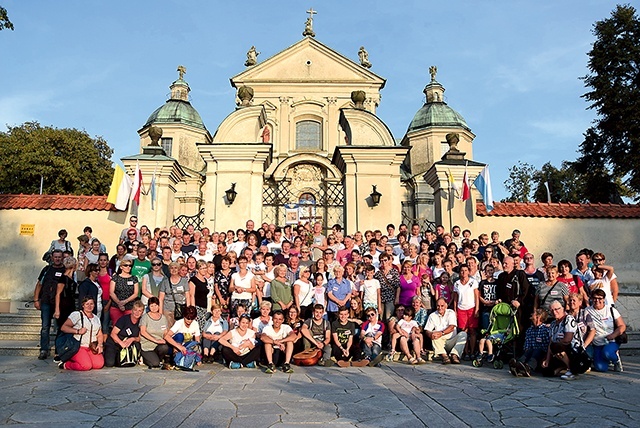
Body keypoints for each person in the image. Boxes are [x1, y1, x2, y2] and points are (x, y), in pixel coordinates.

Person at [583, 288, 626, 372]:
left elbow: (622, 326)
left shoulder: (611, 310)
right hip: (597, 343)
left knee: (607, 353)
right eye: (595, 298)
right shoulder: (587, 310)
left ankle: (616, 359)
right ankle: (601, 359)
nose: (597, 300)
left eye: (600, 298)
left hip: (610, 341)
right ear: (591, 299)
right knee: (600, 368)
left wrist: (613, 335)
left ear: (604, 299)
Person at [57, 296, 104, 371]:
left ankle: (84, 359)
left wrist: (100, 344)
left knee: (98, 364)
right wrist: (77, 331)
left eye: (91, 304)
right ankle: (66, 364)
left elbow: (99, 334)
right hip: (79, 346)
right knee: (86, 366)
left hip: (91, 347)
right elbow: (64, 327)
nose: (89, 306)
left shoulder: (96, 318)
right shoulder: (77, 315)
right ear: (83, 305)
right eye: (87, 304)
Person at [541, 300, 582, 380]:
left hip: (574, 351)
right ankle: (562, 366)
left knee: (556, 346)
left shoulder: (568, 319)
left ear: (563, 309)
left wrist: (554, 348)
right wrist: (548, 359)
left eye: (557, 309)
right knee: (546, 371)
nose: (554, 312)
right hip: (559, 351)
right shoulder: (553, 324)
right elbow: (551, 342)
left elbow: (567, 339)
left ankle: (573, 370)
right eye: (552, 310)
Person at [424, 298, 467, 364]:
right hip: (440, 341)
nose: (440, 308)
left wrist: (442, 333)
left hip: (451, 340)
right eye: (438, 306)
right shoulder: (432, 316)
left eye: (442, 306)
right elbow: (427, 330)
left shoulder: (451, 312)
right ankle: (444, 356)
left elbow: (452, 327)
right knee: (434, 335)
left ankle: (454, 355)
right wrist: (431, 334)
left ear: (446, 305)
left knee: (463, 334)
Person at [104, 300, 144, 367]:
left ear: (142, 312)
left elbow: (140, 338)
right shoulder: (124, 319)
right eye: (135, 310)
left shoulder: (141, 321)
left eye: (139, 311)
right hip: (115, 342)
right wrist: (121, 343)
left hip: (128, 345)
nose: (137, 313)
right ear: (132, 310)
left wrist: (132, 339)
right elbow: (113, 334)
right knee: (110, 363)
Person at [452, 264, 479, 359]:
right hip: (461, 309)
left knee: (472, 330)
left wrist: (477, 309)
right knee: (463, 331)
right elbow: (455, 298)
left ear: (468, 271)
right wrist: (455, 310)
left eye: (465, 270)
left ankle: (472, 352)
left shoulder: (473, 282)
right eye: (462, 271)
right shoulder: (457, 284)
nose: (464, 272)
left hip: (471, 308)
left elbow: (476, 296)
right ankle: (465, 351)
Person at [514, 309, 551, 376]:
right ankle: (518, 365)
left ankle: (528, 368)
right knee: (529, 351)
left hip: (541, 355)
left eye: (533, 313)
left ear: (538, 317)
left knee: (538, 350)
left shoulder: (546, 330)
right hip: (531, 353)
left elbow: (549, 344)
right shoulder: (529, 330)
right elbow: (527, 345)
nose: (531, 314)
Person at [139, 296, 170, 368]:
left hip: (158, 346)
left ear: (159, 306)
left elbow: (165, 332)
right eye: (151, 306)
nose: (154, 307)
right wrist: (155, 340)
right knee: (154, 364)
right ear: (149, 307)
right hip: (147, 346)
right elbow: (142, 332)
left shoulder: (163, 318)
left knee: (165, 347)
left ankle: (159, 359)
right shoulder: (145, 317)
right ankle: (145, 358)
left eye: (156, 305)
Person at [158, 262, 191, 327]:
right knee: (168, 330)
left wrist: (188, 310)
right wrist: (160, 312)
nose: (173, 270)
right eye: (171, 268)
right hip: (167, 310)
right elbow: (161, 298)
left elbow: (187, 296)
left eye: (175, 268)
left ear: (178, 269)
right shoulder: (165, 282)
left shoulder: (184, 281)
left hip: (181, 309)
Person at [109, 260, 139, 326]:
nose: (128, 267)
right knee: (116, 326)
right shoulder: (115, 278)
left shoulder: (134, 278)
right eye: (126, 265)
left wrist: (125, 302)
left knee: (129, 326)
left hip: (130, 307)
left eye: (130, 266)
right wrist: (119, 303)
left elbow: (136, 293)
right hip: (116, 306)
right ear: (121, 267)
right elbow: (111, 292)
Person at [188, 260, 211, 329]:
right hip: (197, 307)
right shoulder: (193, 280)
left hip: (204, 308)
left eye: (205, 268)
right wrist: (193, 310)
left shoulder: (205, 280)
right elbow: (191, 295)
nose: (204, 270)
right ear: (197, 269)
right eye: (202, 268)